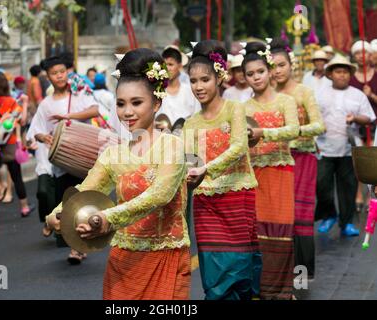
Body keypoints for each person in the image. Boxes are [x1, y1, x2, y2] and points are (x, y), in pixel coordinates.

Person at [46, 48, 191, 300]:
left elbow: (159, 195)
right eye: (121, 103)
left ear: (156, 102)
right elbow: (85, 191)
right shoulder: (113, 155)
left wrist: (106, 219)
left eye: (137, 102)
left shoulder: (172, 145)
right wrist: (56, 214)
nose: (127, 112)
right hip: (123, 260)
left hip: (166, 256)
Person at [182, 40, 260, 300]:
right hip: (206, 201)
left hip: (238, 196)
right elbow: (187, 162)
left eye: (205, 79)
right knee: (212, 265)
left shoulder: (234, 109)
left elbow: (239, 147)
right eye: (193, 81)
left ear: (219, 78)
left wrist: (206, 168)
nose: (199, 87)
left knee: (240, 267)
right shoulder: (189, 124)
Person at [27, 55, 99, 264]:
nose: (59, 76)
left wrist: (69, 117)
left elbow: (95, 110)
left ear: (67, 72)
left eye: (62, 71)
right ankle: (75, 244)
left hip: (83, 158)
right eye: (54, 73)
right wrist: (43, 137)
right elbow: (35, 131)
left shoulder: (79, 94)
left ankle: (77, 248)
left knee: (81, 202)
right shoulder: (46, 104)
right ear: (48, 76)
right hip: (60, 163)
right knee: (66, 203)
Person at [242, 41, 300, 300]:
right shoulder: (243, 108)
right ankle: (261, 290)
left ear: (269, 71)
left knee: (282, 231)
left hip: (281, 172)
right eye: (250, 74)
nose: (256, 77)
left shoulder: (285, 101)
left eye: (260, 71)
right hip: (254, 176)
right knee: (258, 235)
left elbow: (293, 131)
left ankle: (283, 292)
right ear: (245, 78)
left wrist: (262, 132)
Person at [271, 39, 325, 280]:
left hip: (302, 158)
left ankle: (303, 273)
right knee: (278, 216)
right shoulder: (267, 95)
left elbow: (319, 125)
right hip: (275, 159)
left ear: (291, 64)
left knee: (300, 215)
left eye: (281, 64)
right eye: (272, 66)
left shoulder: (304, 92)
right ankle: (280, 271)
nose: (277, 70)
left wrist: (293, 131)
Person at [315, 55, 376, 237]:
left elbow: (369, 117)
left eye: (345, 72)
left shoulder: (357, 95)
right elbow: (312, 116)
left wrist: (355, 118)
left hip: (349, 148)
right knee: (322, 184)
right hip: (324, 147)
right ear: (331, 74)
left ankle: (346, 222)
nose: (342, 75)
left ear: (350, 74)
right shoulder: (320, 94)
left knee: (347, 187)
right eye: (338, 72)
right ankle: (329, 215)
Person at [0, 71, 34, 217]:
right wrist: (25, 103)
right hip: (10, 144)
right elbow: (23, 121)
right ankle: (24, 207)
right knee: (16, 176)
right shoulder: (11, 101)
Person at [350, 41, 377, 213]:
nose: (361, 56)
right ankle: (358, 194)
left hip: (375, 124)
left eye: (364, 52)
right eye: (357, 53)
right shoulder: (351, 78)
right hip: (355, 125)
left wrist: (371, 95)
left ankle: (370, 196)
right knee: (358, 162)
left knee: (373, 161)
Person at [155, 45, 200, 128]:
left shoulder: (190, 90)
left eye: (170, 64)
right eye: (165, 65)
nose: (167, 68)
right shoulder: (157, 91)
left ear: (179, 66)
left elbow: (197, 116)